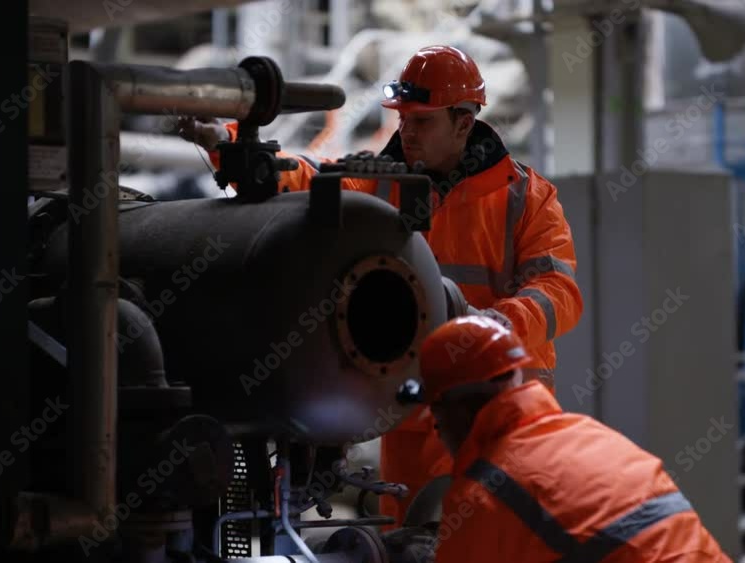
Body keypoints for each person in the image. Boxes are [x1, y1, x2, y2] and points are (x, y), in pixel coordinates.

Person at [179, 45, 584, 529]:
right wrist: (224, 143)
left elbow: (559, 291)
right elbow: (307, 183)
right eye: (403, 119)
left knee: (485, 541)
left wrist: (499, 325)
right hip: (410, 413)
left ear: (463, 121)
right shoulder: (381, 184)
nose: (406, 132)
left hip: (496, 410)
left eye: (422, 121)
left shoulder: (527, 198)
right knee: (408, 541)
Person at [407, 315, 731, 563]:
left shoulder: (480, 498)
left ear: (458, 414)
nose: (439, 434)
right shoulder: (585, 432)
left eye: (437, 422)